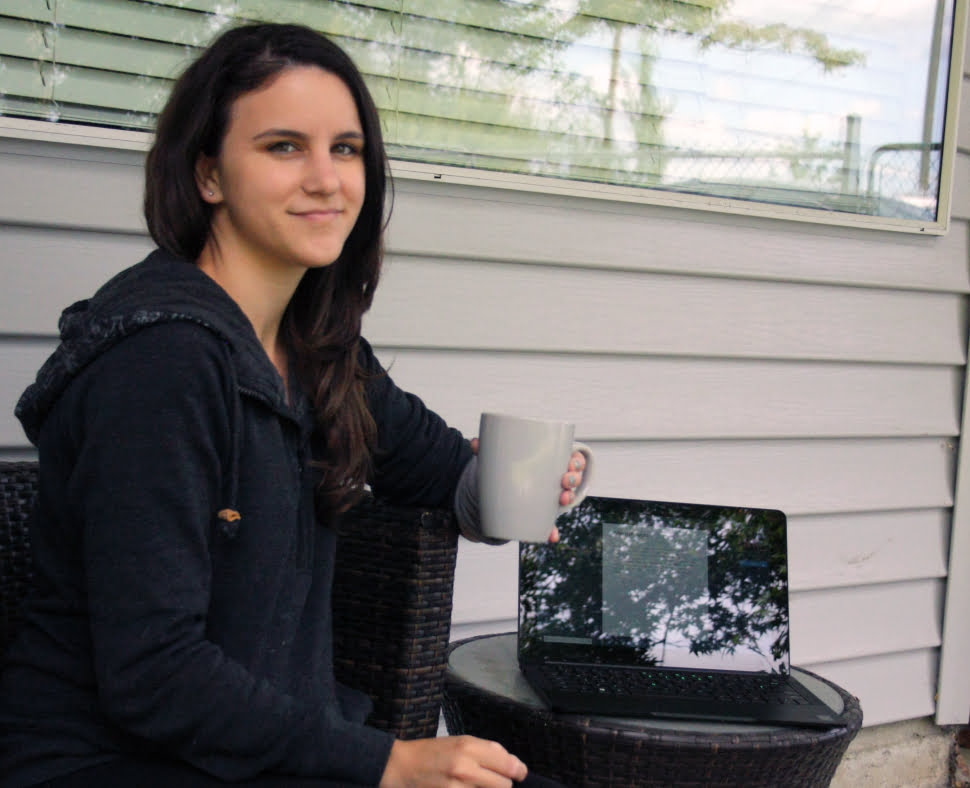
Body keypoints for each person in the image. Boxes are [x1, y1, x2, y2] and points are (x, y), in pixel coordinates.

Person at [0, 23, 585, 788]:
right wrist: (389, 762)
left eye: (345, 149)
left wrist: (533, 482)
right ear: (209, 174)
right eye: (283, 147)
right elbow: (154, 673)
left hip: (263, 747)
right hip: (109, 761)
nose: (326, 179)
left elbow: (442, 475)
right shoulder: (162, 361)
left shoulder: (319, 348)